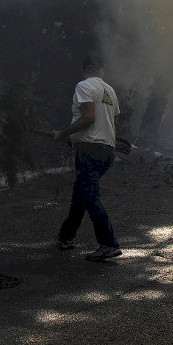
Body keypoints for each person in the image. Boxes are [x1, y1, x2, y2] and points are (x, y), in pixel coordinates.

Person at [53, 55, 123, 261]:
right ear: (97, 69)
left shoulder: (84, 86)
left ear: (86, 69)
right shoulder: (110, 91)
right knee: (81, 193)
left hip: (89, 151)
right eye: (103, 69)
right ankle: (65, 237)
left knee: (90, 196)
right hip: (106, 151)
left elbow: (89, 117)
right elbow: (112, 121)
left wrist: (64, 133)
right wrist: (76, 137)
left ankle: (108, 244)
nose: (104, 72)